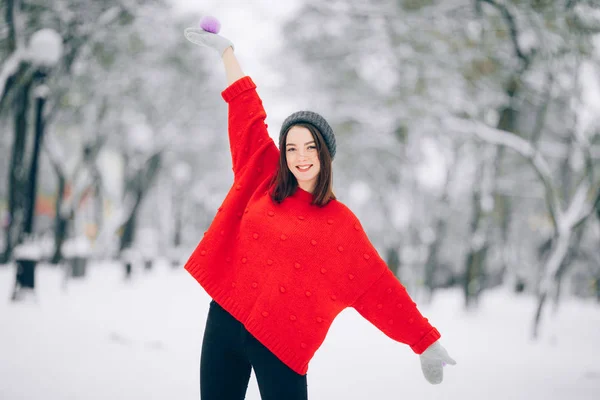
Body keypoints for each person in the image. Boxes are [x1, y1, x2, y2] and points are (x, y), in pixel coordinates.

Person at [183, 21, 456, 400]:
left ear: (325, 154)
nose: (300, 157)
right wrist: (227, 54)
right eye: (291, 147)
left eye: (310, 147)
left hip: (282, 343)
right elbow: (247, 112)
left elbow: (379, 288)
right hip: (225, 322)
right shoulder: (263, 174)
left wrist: (425, 342)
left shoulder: (341, 224)